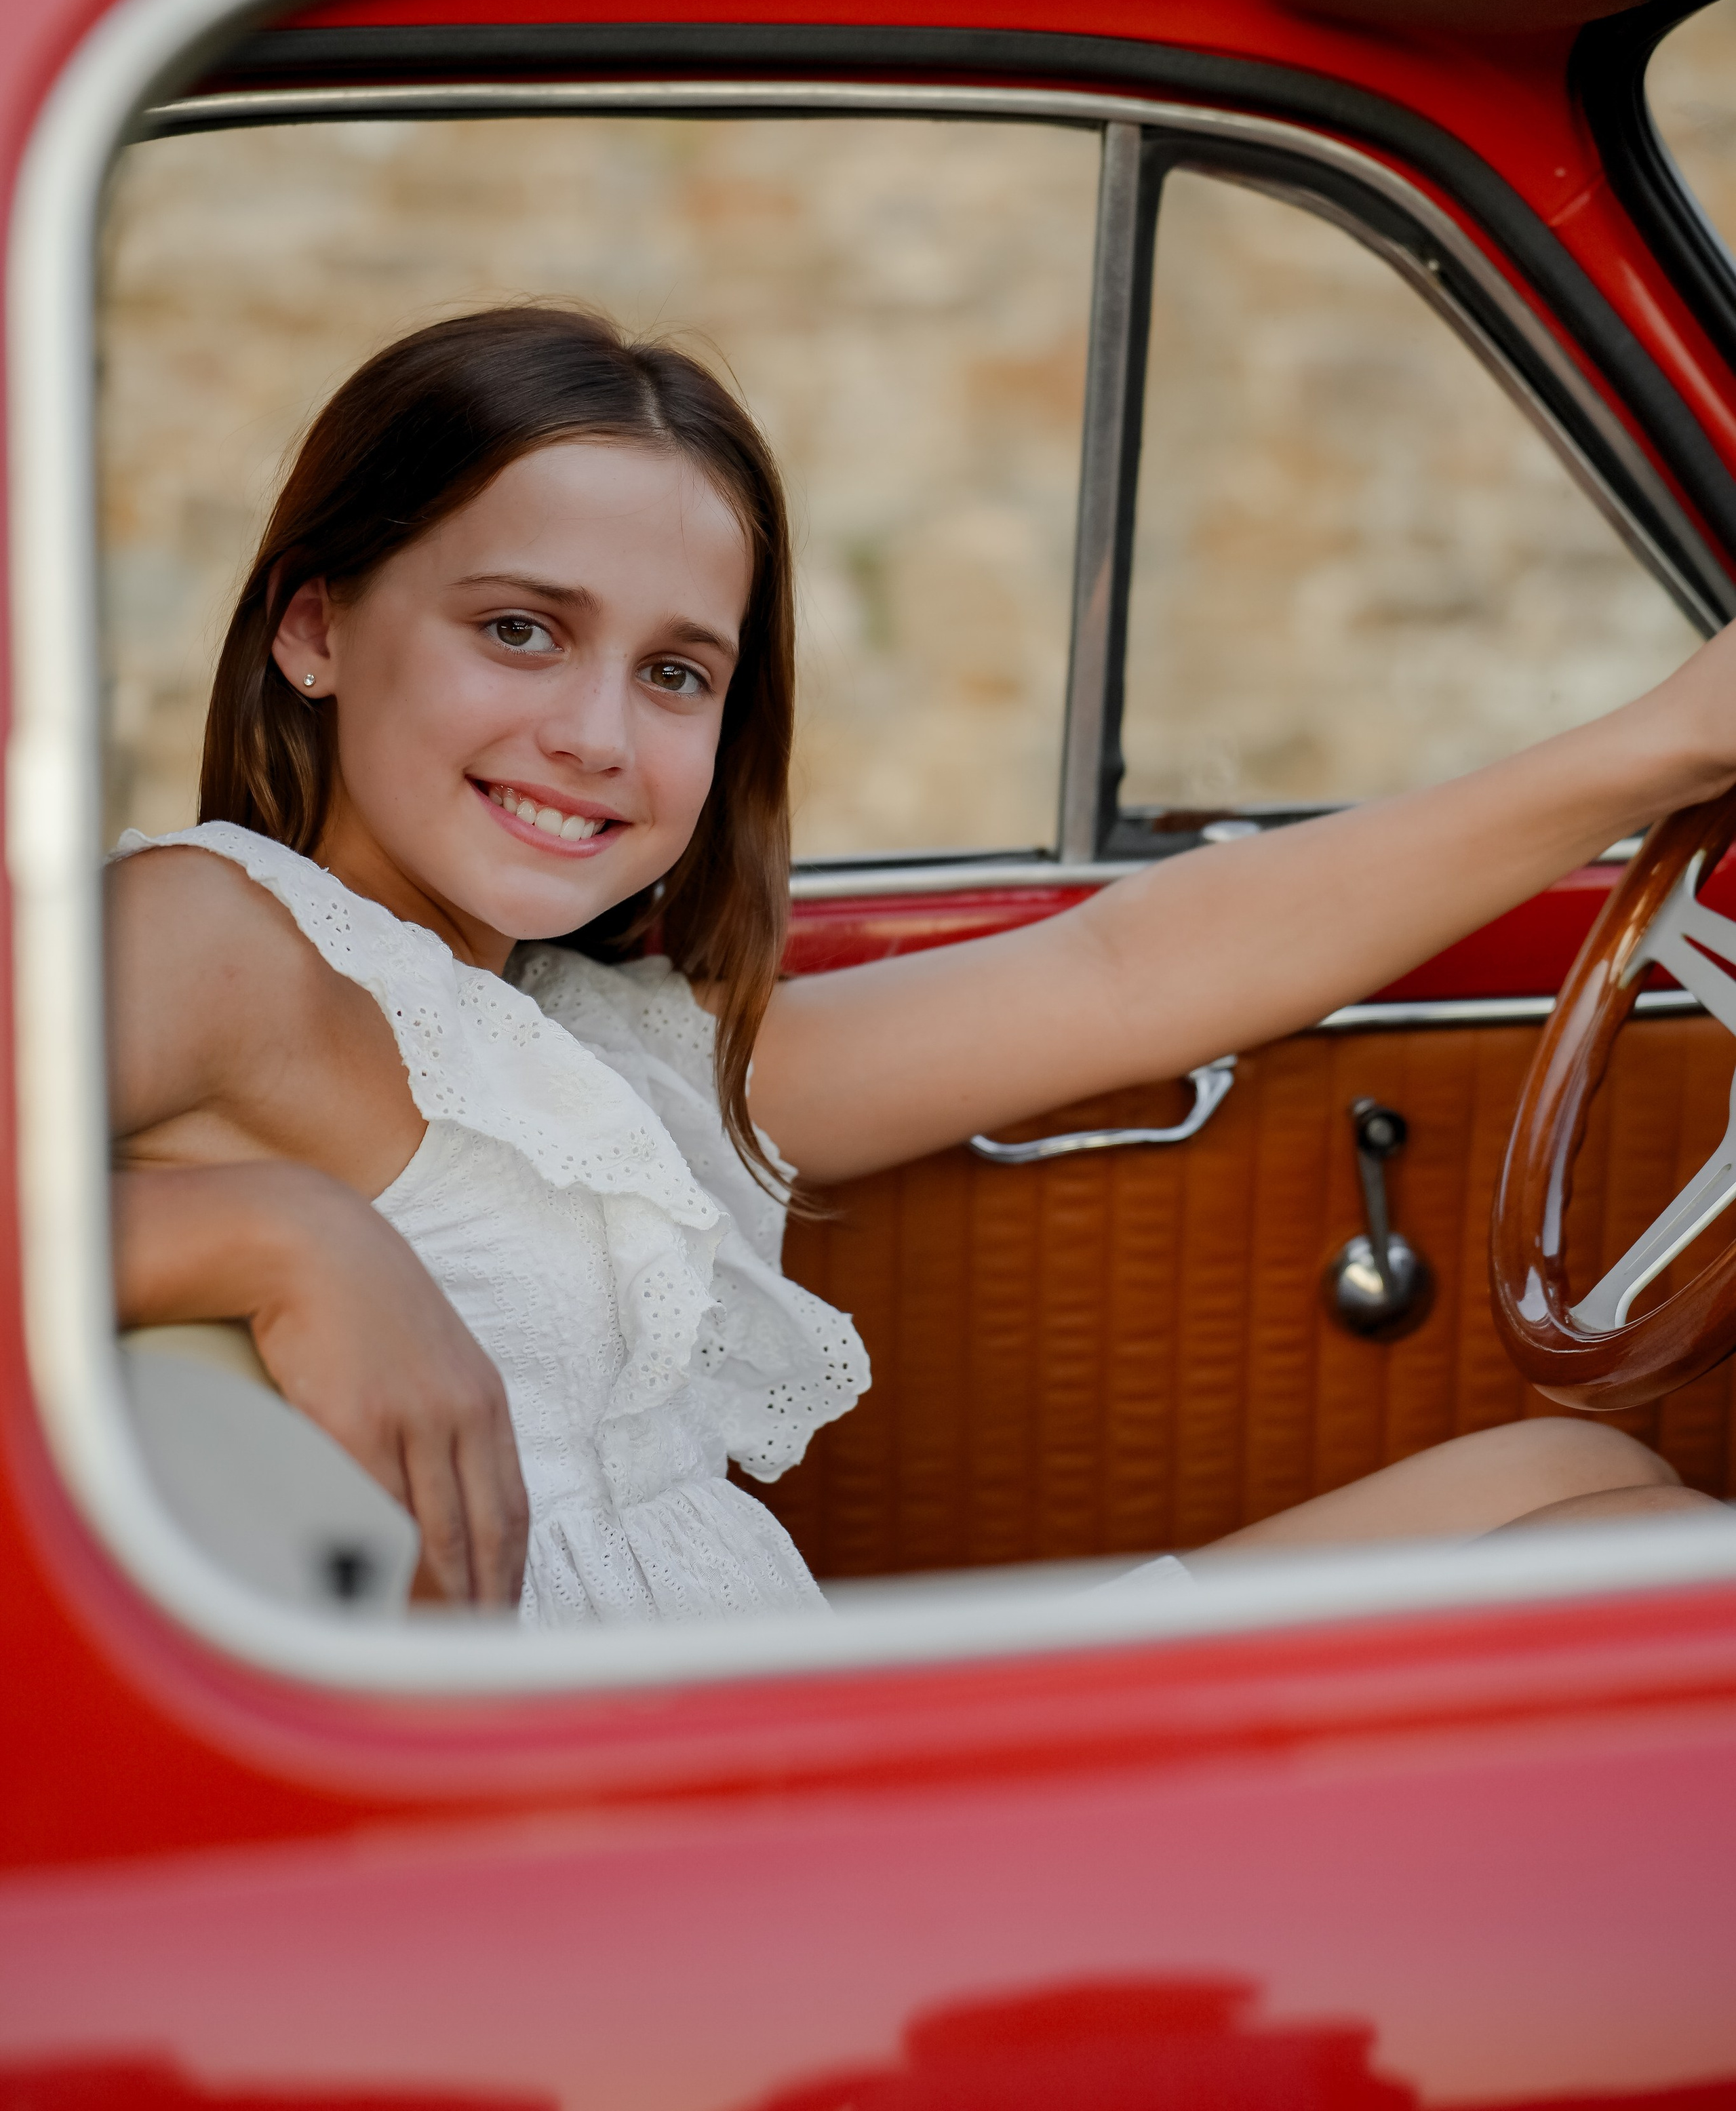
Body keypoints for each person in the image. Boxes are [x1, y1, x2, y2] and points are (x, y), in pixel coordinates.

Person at [108, 307, 1724, 1622]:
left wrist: (1652, 747)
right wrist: (272, 1233)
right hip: (663, 1854)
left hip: (760, 1723)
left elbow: (1123, 979)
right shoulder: (216, 934)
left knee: (1577, 1485)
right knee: (1648, 1588)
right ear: (311, 630)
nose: (595, 735)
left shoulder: (586, 1048)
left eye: (675, 673)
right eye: (520, 628)